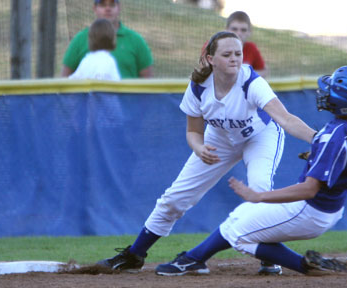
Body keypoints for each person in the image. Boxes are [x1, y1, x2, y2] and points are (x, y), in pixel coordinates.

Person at [96, 31, 316, 274]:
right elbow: (193, 131)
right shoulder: (199, 86)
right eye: (227, 54)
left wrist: (318, 140)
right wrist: (199, 148)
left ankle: (269, 255)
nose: (234, 59)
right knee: (175, 197)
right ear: (211, 59)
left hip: (260, 136)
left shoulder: (251, 82)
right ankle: (135, 254)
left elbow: (285, 119)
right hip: (219, 139)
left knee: (259, 189)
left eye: (238, 54)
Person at [154, 66, 347, 276]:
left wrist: (259, 196)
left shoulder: (336, 133)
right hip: (330, 207)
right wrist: (318, 156)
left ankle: (305, 266)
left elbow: (309, 188)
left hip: (311, 210)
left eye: (331, 89)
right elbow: (339, 160)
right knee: (245, 219)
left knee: (235, 231)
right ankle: (195, 258)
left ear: (345, 101)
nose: (324, 92)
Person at [61, 0, 153, 78]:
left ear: (119, 7)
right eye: (103, 5)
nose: (108, 9)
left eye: (112, 5)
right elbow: (65, 80)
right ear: (94, 8)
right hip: (89, 99)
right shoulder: (80, 39)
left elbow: (148, 82)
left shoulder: (136, 40)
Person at [226, 11, 268, 78]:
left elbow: (263, 71)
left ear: (249, 32)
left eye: (243, 30)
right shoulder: (213, 45)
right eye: (234, 29)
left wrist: (245, 76)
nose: (239, 33)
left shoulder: (251, 48)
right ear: (226, 30)